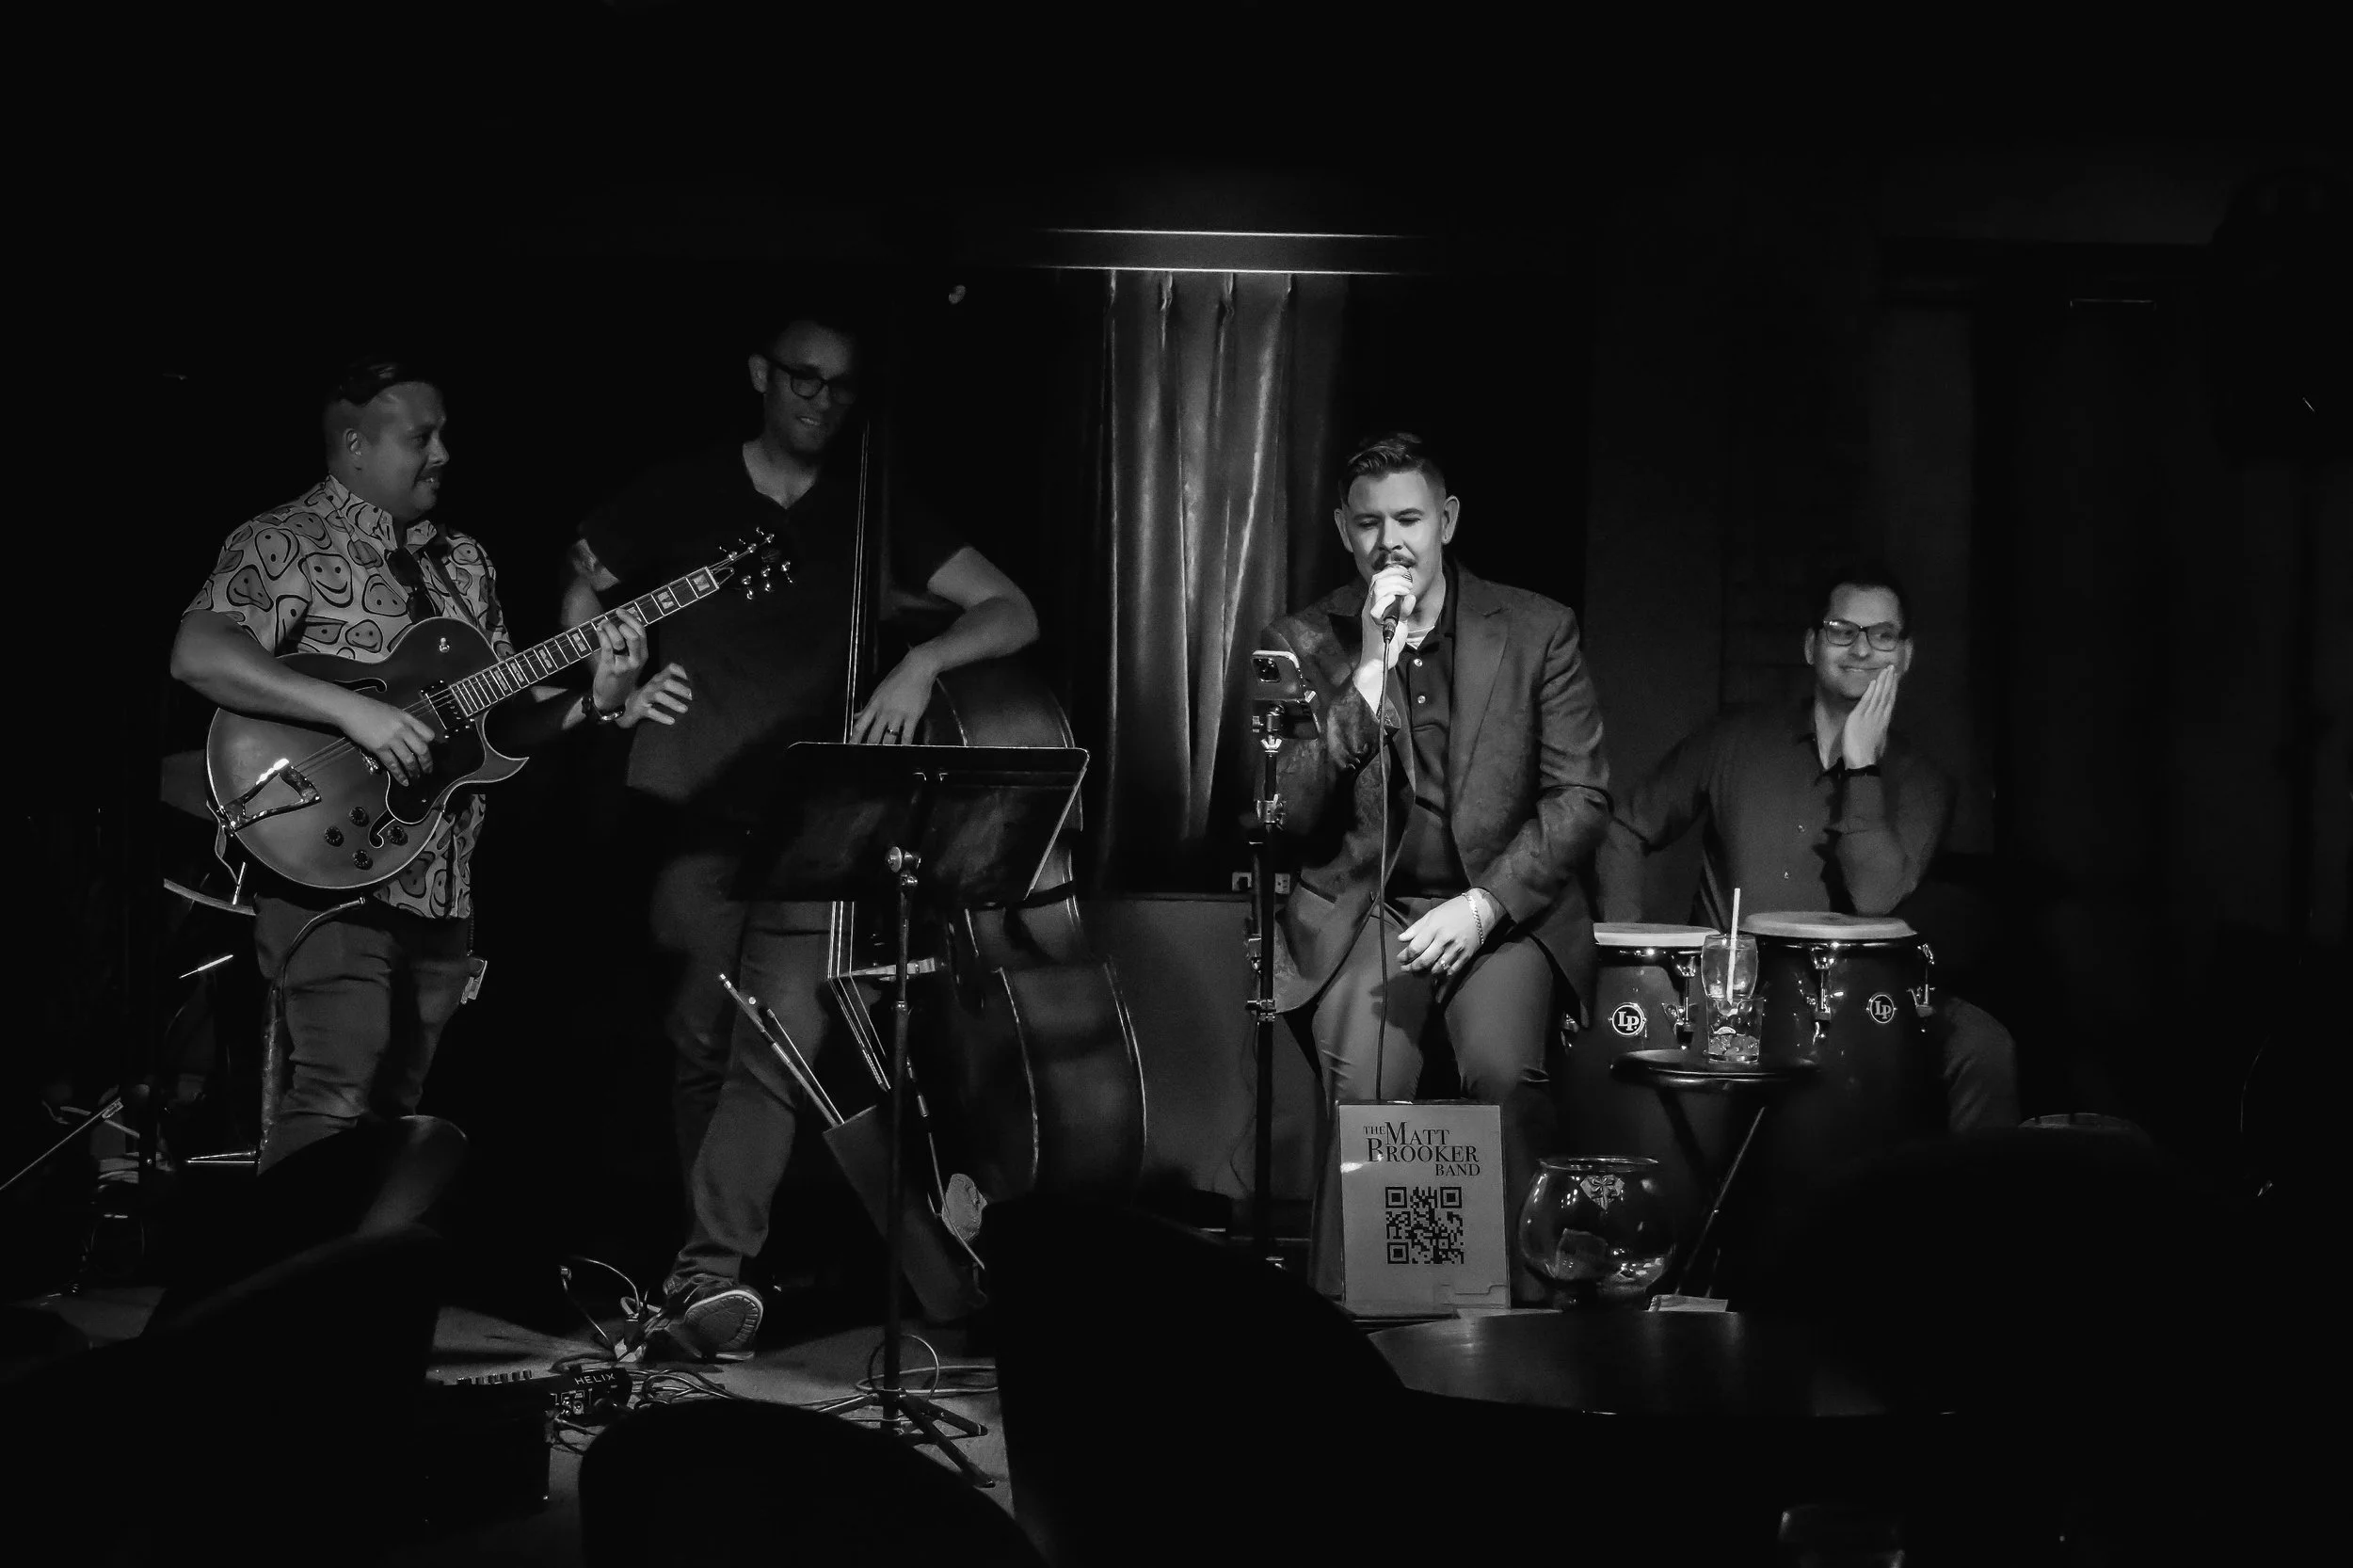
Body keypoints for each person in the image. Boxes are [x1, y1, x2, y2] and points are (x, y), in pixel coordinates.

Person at [562, 303, 1039, 1359]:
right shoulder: (685, 488)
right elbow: (586, 572)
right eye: (802, 380)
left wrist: (921, 664)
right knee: (697, 1037)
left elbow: (1011, 608)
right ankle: (705, 1270)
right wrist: (615, 673)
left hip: (814, 818)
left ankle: (709, 1273)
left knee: (776, 1042)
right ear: (759, 374)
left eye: (840, 386)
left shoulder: (873, 505)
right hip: (686, 802)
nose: (821, 402)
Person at [170, 358, 672, 1171]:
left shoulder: (464, 560)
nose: (441, 453)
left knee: (392, 1118)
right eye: (420, 437)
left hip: (441, 882)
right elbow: (197, 652)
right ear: (355, 446)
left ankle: (352, 1290)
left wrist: (599, 698)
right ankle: (283, 1288)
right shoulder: (285, 540)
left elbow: (500, 727)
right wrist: (352, 710)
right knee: (332, 1092)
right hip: (329, 871)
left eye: (444, 435)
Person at [1259, 432, 1613, 1303]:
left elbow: (1580, 800)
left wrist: (1486, 907)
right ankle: (1368, 1328)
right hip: (1363, 913)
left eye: (1410, 518)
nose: (1393, 542)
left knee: (1501, 1073)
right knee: (1368, 1086)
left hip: (1496, 914)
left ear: (1446, 521)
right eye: (1372, 523)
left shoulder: (1536, 629)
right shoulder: (1305, 640)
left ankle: (1522, 1319)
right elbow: (1287, 814)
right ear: (1347, 532)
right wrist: (1370, 673)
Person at [1594, 561, 2020, 1130]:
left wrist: (1862, 765)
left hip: (1864, 1001)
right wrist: (1637, 959)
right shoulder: (1734, 740)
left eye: (1882, 635)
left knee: (1986, 1047)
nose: (1862, 650)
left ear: (1906, 655)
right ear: (1812, 645)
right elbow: (1625, 825)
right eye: (1843, 631)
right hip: (1733, 999)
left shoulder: (1923, 782)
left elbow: (1874, 897)